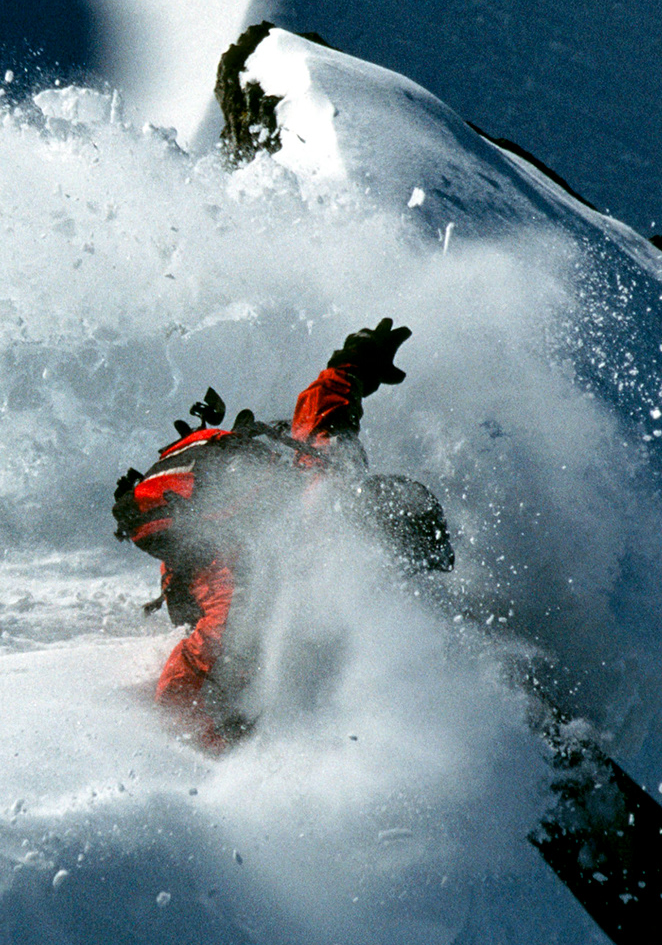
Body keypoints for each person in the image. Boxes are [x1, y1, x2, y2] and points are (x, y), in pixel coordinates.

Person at [112, 319, 452, 747]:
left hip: (228, 506)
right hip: (203, 547)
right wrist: (213, 747)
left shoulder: (333, 479)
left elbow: (322, 417)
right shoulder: (249, 577)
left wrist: (352, 363)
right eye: (404, 563)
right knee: (243, 646)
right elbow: (186, 682)